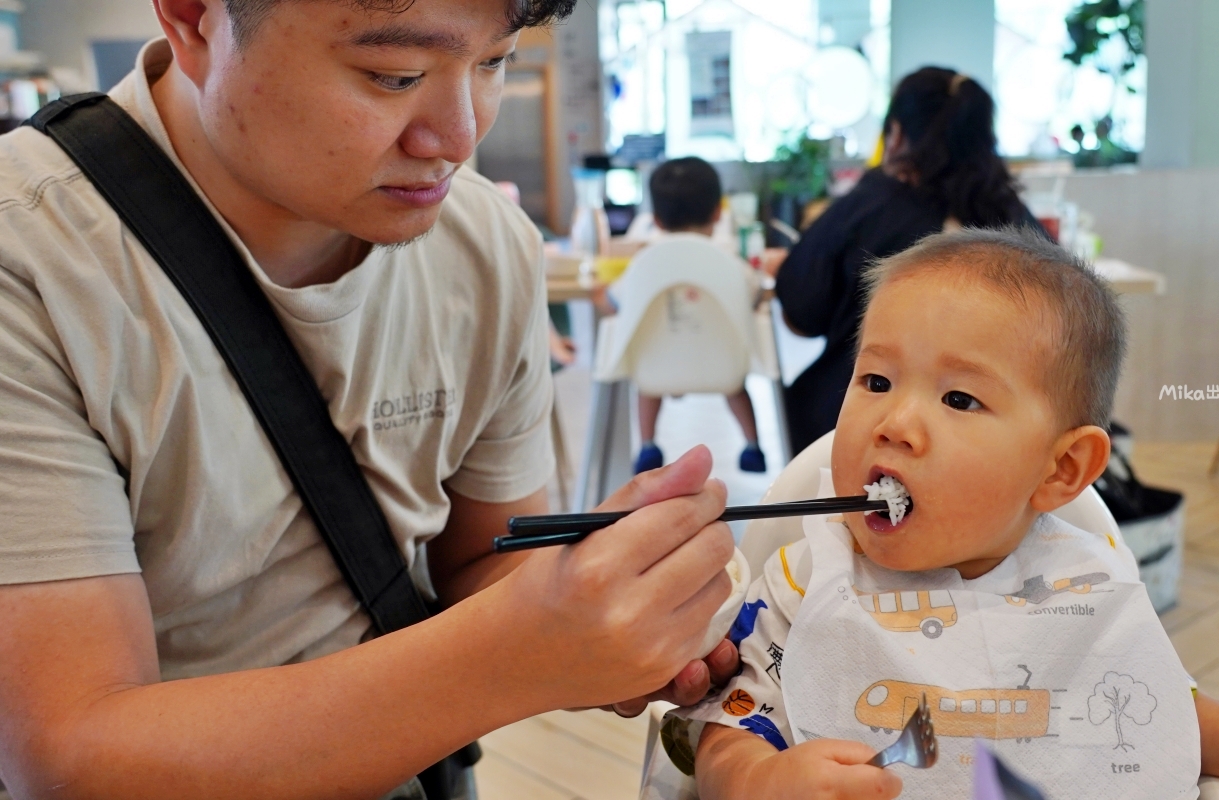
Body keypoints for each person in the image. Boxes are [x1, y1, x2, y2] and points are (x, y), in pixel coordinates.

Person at [0, 2, 741, 798]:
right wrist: (510, 657)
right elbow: (69, 756)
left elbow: (477, 567)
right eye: (396, 75)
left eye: (495, 62)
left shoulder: (484, 244)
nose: (458, 138)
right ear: (192, 18)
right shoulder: (36, 260)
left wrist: (598, 617)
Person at [670, 229, 1219, 799]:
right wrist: (762, 779)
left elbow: (1160, 709)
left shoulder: (1084, 580)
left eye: (959, 398)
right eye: (876, 380)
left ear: (1061, 469)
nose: (895, 425)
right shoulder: (807, 585)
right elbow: (728, 731)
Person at [771, 67, 1038, 454]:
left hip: (856, 427)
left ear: (895, 135)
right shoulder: (1019, 223)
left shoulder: (868, 206)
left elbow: (800, 314)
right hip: (992, 437)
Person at [601, 157, 766, 475]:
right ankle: (752, 446)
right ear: (719, 212)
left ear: (657, 219)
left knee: (646, 377)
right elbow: (755, 295)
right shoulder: (729, 263)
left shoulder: (643, 264)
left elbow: (615, 301)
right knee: (736, 383)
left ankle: (648, 445)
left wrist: (599, 295)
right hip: (722, 365)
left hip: (657, 366)